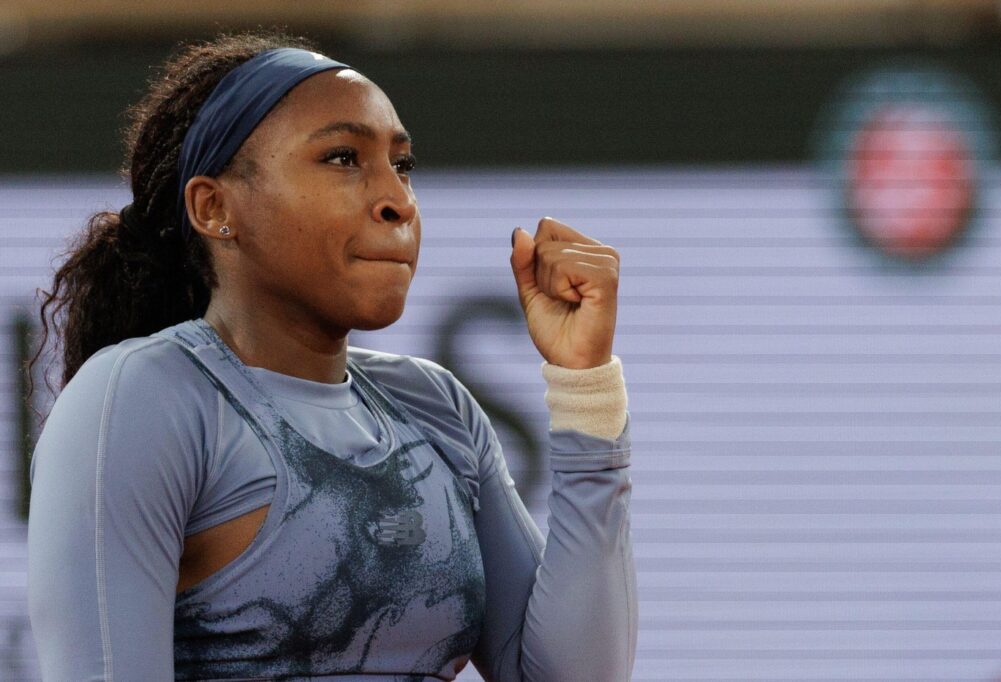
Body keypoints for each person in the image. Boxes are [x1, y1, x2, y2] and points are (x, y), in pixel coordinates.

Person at [26, 31, 637, 682]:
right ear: (216, 208)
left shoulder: (436, 408)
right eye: (343, 158)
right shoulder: (144, 399)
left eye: (402, 165)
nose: (397, 201)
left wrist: (585, 387)